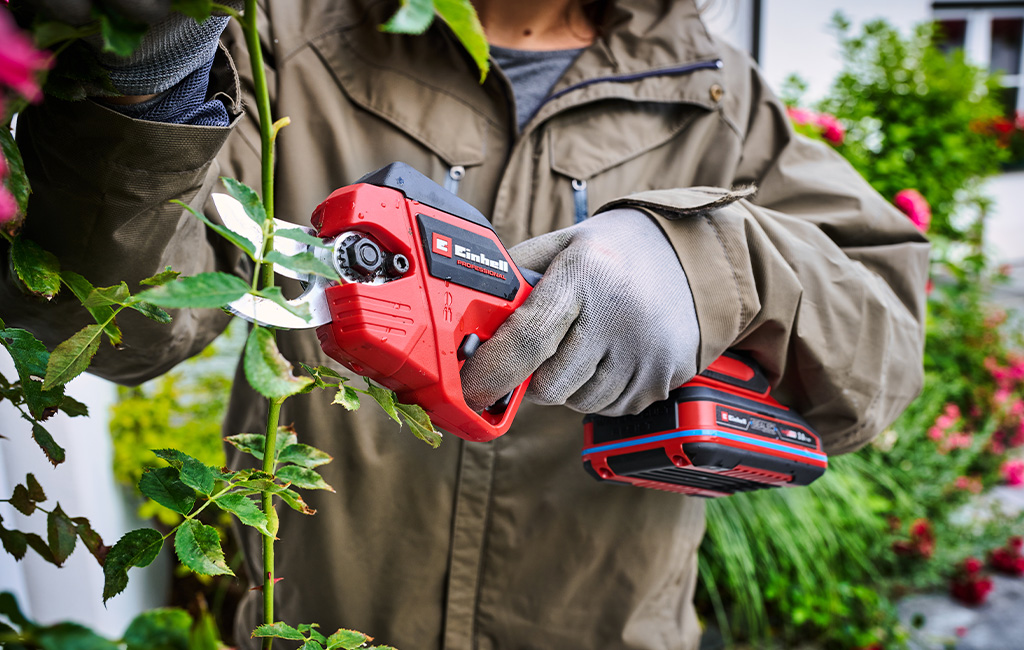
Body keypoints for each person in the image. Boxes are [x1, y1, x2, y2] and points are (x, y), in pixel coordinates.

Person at [1, 1, 930, 648]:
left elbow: (883, 347)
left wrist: (715, 264)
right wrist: (145, 86)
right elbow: (103, 327)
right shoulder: (272, 36)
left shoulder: (717, 94)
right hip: (309, 630)